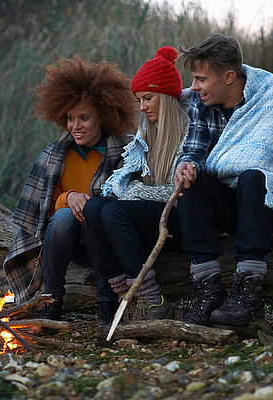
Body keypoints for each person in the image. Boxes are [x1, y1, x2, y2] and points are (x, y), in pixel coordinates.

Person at [174, 34, 273, 327]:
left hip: (268, 206)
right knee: (193, 184)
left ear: (228, 76)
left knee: (253, 177)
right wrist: (187, 165)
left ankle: (248, 293)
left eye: (201, 79)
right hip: (232, 208)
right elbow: (194, 148)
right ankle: (207, 287)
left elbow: (261, 160)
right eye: (193, 78)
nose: (193, 87)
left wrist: (210, 165)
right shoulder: (200, 101)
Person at [3, 57, 136, 325]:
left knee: (93, 211)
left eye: (84, 118)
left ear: (104, 114)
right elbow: (43, 210)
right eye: (71, 118)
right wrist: (68, 197)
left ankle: (106, 303)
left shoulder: (126, 151)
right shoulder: (55, 155)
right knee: (64, 215)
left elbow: (133, 202)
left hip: (109, 243)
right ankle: (52, 301)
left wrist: (89, 206)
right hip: (66, 244)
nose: (75, 126)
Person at [83, 46, 191, 321]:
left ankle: (152, 302)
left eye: (147, 98)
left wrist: (131, 192)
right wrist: (125, 190)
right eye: (138, 99)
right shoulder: (146, 133)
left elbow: (174, 192)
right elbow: (125, 179)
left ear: (166, 96)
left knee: (113, 211)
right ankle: (124, 295)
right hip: (149, 216)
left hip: (179, 219)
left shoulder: (189, 131)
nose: (141, 106)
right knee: (95, 207)